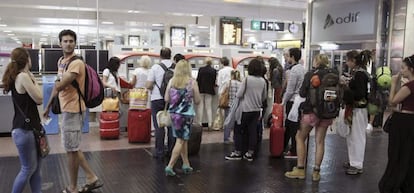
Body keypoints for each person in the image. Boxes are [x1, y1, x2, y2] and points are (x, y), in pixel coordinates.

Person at [43, 29, 102, 193]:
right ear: (60, 43)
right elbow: (58, 85)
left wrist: (58, 82)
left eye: (71, 41)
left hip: (74, 110)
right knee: (73, 147)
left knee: (71, 150)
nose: (68, 43)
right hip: (66, 109)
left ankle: (73, 187)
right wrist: (48, 107)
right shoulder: (61, 61)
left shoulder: (76, 63)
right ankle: (91, 177)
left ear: (75, 43)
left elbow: (60, 85)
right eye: (65, 41)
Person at [284, 54, 335, 181]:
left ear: (316, 62)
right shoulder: (333, 74)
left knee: (300, 137)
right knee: (320, 141)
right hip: (327, 113)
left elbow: (302, 93)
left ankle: (300, 169)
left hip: (311, 112)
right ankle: (316, 172)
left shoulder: (311, 74)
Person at [2, 47, 43, 193]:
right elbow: (39, 98)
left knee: (35, 168)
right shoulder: (24, 77)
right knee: (28, 169)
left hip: (27, 129)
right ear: (27, 60)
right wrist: (33, 78)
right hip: (25, 131)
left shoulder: (16, 76)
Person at [379, 55, 414, 193]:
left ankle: (392, 183)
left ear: (411, 69)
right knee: (409, 154)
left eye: (403, 68)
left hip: (403, 123)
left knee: (397, 154)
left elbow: (392, 101)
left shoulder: (410, 86)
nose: (401, 71)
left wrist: (394, 83)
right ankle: (407, 183)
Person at [225, 58, 267, 162]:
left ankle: (238, 152)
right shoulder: (262, 81)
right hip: (256, 110)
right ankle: (250, 153)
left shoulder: (247, 79)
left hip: (244, 110)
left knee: (238, 130)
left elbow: (239, 94)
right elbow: (264, 97)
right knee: (253, 131)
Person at [164, 60, 201, 176]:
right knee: (180, 141)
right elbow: (198, 100)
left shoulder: (172, 81)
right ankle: (170, 166)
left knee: (183, 139)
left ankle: (186, 164)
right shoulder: (192, 82)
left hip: (174, 114)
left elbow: (166, 99)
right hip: (186, 115)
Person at [341, 50, 371, 175]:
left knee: (357, 137)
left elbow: (359, 94)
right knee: (352, 136)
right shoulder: (361, 73)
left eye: (347, 60)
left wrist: (346, 86)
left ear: (353, 61)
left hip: (358, 110)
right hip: (357, 109)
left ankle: (357, 164)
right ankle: (353, 161)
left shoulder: (359, 74)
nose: (347, 63)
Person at [146, 47, 176, 159]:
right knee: (171, 126)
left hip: (157, 99)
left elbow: (148, 85)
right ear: (170, 55)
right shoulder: (175, 67)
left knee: (159, 126)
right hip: (173, 99)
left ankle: (160, 152)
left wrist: (154, 86)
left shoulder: (155, 67)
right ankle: (172, 150)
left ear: (160, 55)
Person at [282, 48, 305, 158]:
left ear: (292, 57)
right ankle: (291, 149)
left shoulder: (294, 70)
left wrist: (283, 102)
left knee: (291, 126)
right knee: (296, 127)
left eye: (288, 56)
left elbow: (290, 90)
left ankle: (293, 151)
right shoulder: (303, 69)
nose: (287, 58)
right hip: (301, 101)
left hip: (293, 102)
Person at [196, 57, 217, 129]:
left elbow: (198, 80)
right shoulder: (213, 70)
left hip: (201, 90)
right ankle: (210, 123)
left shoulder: (201, 69)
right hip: (209, 90)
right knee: (208, 107)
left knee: (200, 107)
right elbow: (214, 82)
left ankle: (199, 123)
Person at [223, 70, 242, 143]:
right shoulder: (241, 84)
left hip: (229, 104)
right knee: (237, 123)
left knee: (227, 122)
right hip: (237, 105)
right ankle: (235, 138)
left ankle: (226, 138)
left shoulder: (229, 83)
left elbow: (223, 92)